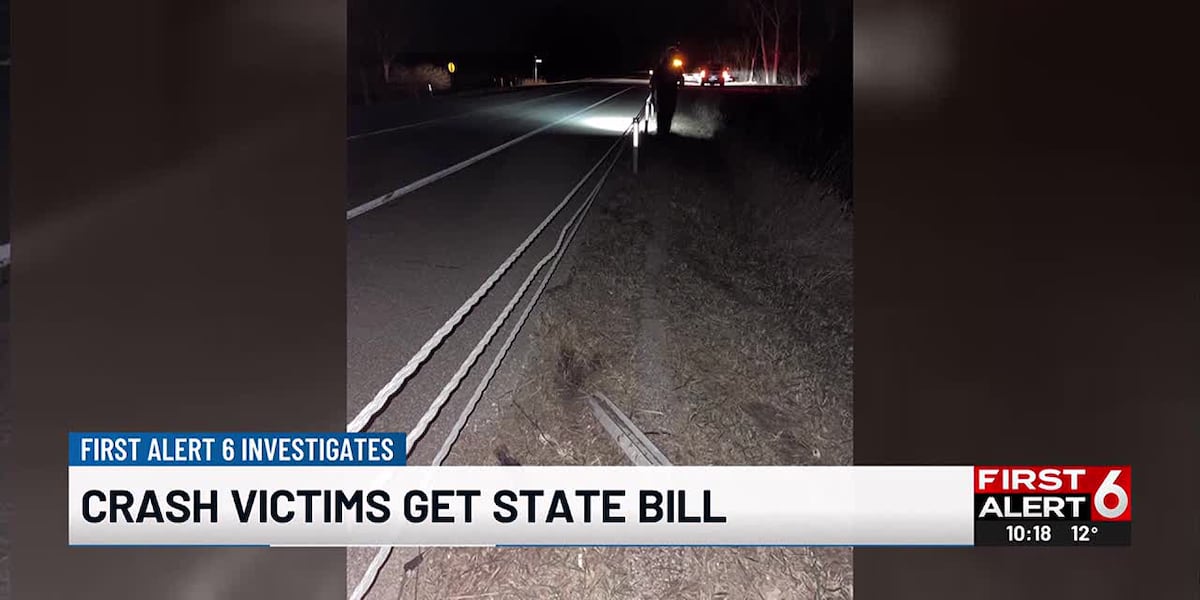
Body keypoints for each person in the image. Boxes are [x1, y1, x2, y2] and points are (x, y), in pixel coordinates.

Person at [650, 46, 683, 135]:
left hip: (672, 91)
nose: (673, 56)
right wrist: (652, 93)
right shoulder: (661, 65)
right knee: (662, 112)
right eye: (672, 54)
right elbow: (654, 79)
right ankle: (661, 131)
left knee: (670, 111)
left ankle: (666, 131)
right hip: (663, 91)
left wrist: (680, 85)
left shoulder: (676, 66)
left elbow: (681, 78)